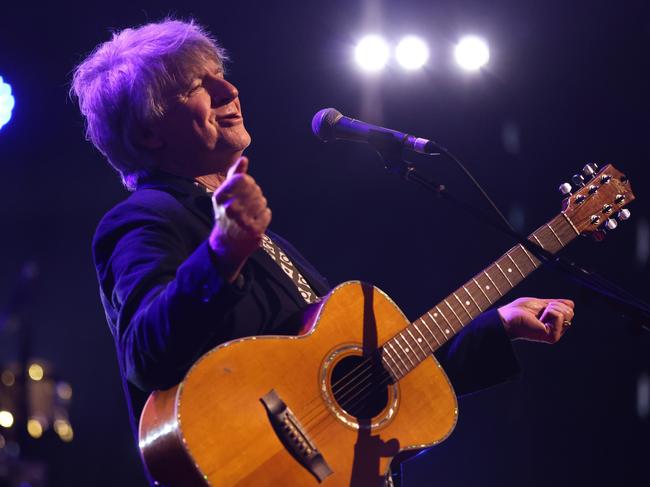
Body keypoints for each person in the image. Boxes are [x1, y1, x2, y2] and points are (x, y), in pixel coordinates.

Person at [71, 19, 575, 486]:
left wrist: (499, 324)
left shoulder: (268, 242)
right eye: (196, 86)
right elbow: (146, 354)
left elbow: (369, 383)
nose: (229, 90)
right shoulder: (145, 217)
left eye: (221, 75)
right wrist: (222, 253)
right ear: (147, 132)